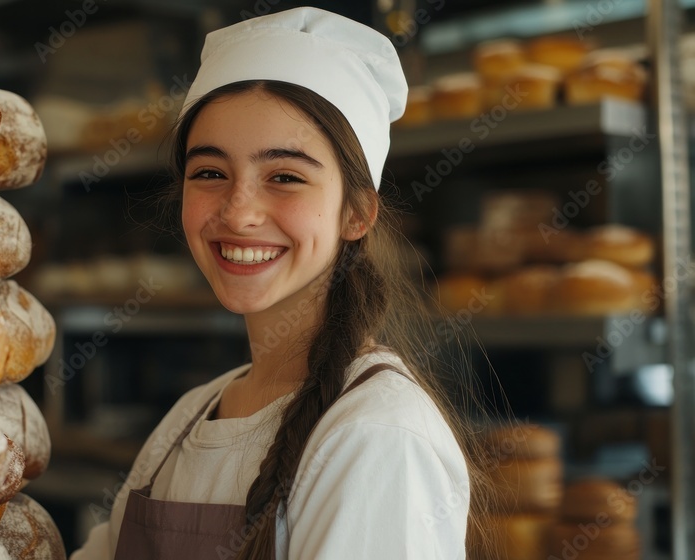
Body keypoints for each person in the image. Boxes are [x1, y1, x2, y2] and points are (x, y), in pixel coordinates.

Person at [71, 7, 474, 559]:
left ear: (356, 214)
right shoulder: (191, 418)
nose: (238, 213)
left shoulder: (375, 438)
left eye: (285, 177)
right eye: (210, 173)